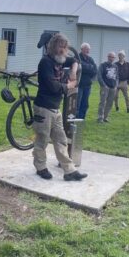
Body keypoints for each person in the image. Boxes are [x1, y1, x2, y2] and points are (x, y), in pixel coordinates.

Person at [32, 33, 87, 181]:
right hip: (43, 108)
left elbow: (75, 60)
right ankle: (41, 167)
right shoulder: (45, 62)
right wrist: (69, 85)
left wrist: (74, 71)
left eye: (65, 47)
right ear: (53, 47)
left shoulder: (61, 60)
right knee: (42, 140)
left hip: (56, 109)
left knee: (61, 139)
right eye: (61, 47)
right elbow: (53, 86)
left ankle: (69, 171)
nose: (64, 50)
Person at [75, 43, 97, 120]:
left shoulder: (90, 59)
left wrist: (86, 67)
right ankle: (75, 119)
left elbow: (95, 70)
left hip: (88, 85)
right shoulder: (77, 57)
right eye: (86, 49)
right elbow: (80, 67)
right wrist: (89, 67)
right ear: (82, 49)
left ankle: (81, 119)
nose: (88, 51)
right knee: (77, 103)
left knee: (85, 104)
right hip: (79, 85)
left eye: (88, 49)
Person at [97, 52, 118, 123]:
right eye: (110, 57)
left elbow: (117, 77)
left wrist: (116, 85)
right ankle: (100, 118)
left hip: (113, 87)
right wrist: (103, 85)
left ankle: (105, 117)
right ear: (107, 57)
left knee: (110, 103)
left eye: (113, 57)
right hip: (104, 87)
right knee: (102, 102)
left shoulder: (115, 66)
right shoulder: (102, 65)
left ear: (114, 58)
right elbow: (99, 76)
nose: (111, 58)